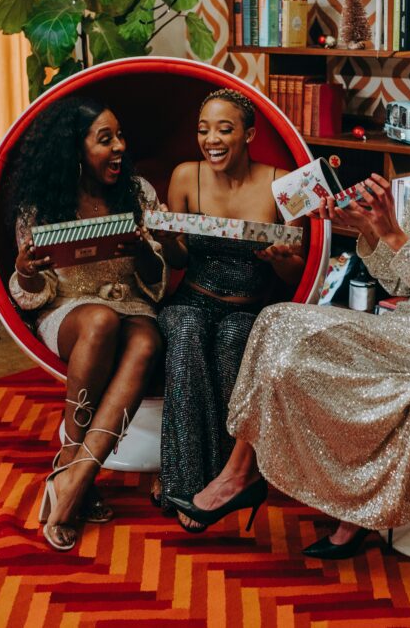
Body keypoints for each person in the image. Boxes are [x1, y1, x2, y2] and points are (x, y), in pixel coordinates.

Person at [165, 35, 410, 558]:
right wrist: (365, 230)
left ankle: (283, 489)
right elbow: (400, 284)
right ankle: (246, 474)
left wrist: (396, 236)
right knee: (273, 321)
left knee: (288, 333)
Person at [6, 96, 166, 551]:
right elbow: (32, 293)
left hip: (132, 303)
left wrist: (142, 253)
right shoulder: (42, 204)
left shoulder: (138, 193)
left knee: (146, 342)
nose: (119, 147)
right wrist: (25, 271)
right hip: (70, 311)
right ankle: (71, 470)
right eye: (105, 139)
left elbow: (155, 281)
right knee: (99, 322)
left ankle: (75, 478)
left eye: (120, 136)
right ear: (76, 149)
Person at [154, 89, 304, 532]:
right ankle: (182, 478)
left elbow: (300, 276)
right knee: (185, 330)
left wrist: (282, 260)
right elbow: (179, 260)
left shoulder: (287, 182)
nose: (211, 139)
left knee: (236, 338)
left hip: (249, 308)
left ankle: (225, 480)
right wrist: (166, 240)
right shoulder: (185, 176)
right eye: (203, 129)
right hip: (192, 300)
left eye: (224, 129)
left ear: (249, 134)